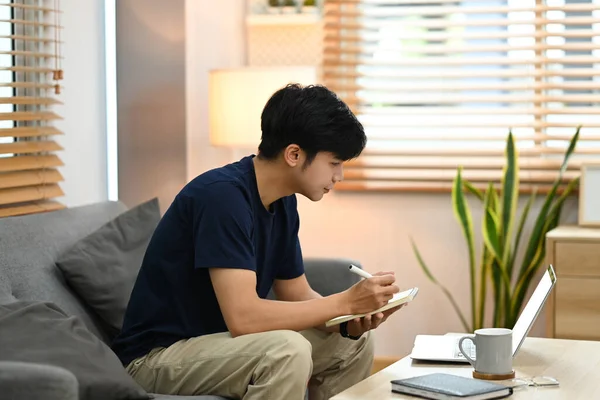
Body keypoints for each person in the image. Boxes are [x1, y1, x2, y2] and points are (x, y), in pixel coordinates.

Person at [111, 84, 404, 400]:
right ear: (294, 154)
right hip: (157, 358)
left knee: (353, 344)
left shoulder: (283, 202)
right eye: (334, 163)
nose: (340, 176)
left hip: (220, 345)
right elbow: (244, 318)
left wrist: (347, 321)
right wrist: (344, 302)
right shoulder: (221, 197)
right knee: (286, 350)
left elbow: (296, 294)